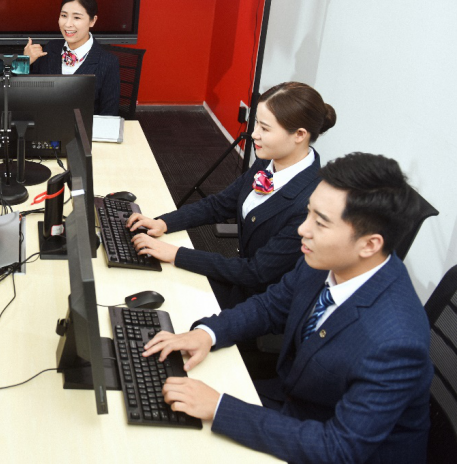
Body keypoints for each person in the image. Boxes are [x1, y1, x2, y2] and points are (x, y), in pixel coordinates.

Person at [142, 153, 432, 463]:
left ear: (369, 245)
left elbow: (338, 449)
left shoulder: (396, 343)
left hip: (329, 443)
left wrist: (220, 408)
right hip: (296, 403)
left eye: (320, 223)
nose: (302, 230)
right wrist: (207, 333)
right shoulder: (327, 259)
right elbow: (271, 306)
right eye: (308, 213)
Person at [128, 82, 336, 309]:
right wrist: (164, 222)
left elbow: (256, 272)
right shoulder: (269, 161)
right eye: (257, 123)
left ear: (299, 135)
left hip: (263, 302)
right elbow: (220, 204)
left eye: (265, 129)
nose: (254, 134)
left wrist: (176, 254)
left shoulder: (310, 203)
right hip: (241, 278)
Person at [24, 0, 121, 116]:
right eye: (64, 16)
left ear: (92, 21)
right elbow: (25, 96)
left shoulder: (108, 62)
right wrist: (24, 62)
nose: (68, 24)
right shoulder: (50, 48)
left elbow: (109, 114)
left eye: (77, 17)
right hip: (47, 125)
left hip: (87, 128)